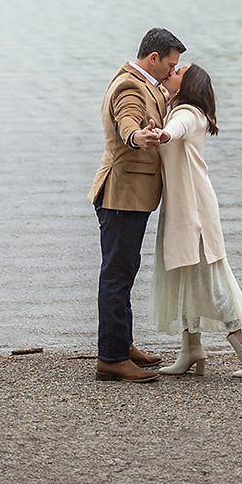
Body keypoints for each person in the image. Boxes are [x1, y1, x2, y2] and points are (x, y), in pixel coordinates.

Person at [152, 63, 242, 379]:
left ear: (187, 84)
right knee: (186, 277)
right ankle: (191, 348)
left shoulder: (188, 114)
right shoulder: (177, 109)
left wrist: (163, 133)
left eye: (179, 71)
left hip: (195, 212)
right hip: (182, 208)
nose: (172, 71)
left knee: (210, 277)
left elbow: (176, 128)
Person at [88, 27, 184, 383]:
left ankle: (122, 343)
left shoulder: (146, 84)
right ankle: (111, 358)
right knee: (116, 274)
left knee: (124, 270)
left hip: (130, 196)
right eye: (171, 65)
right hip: (120, 194)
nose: (173, 71)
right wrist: (136, 135)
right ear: (153, 58)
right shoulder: (130, 86)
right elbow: (126, 120)